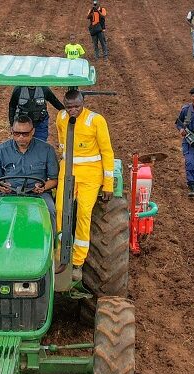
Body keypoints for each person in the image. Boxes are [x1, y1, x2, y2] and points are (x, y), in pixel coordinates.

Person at [55, 90, 114, 282]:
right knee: (60, 210)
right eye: (69, 107)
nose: (72, 110)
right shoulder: (61, 118)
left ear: (83, 104)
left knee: (83, 213)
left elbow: (107, 152)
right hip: (68, 170)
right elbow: (62, 143)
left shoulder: (96, 121)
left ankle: (78, 261)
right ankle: (58, 254)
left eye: (76, 107)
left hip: (90, 174)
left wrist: (108, 184)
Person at [0, 115, 59, 230]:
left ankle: (52, 244)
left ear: (33, 132)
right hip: (10, 193)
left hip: (38, 194)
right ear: (12, 132)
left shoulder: (46, 150)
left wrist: (43, 187)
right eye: (17, 134)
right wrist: (1, 187)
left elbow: (54, 179)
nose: (21, 137)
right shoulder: (1, 150)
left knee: (50, 211)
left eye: (25, 134)